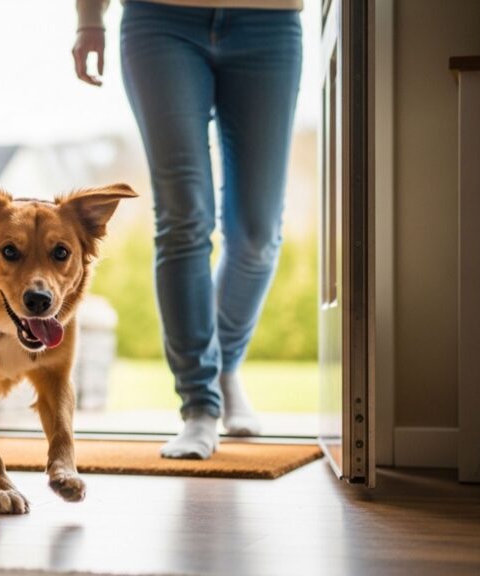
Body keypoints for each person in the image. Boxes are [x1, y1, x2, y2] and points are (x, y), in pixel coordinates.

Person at [73, 0, 303, 459]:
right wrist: (89, 19)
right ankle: (199, 405)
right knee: (184, 218)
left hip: (271, 21)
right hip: (160, 19)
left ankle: (224, 368)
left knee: (257, 234)